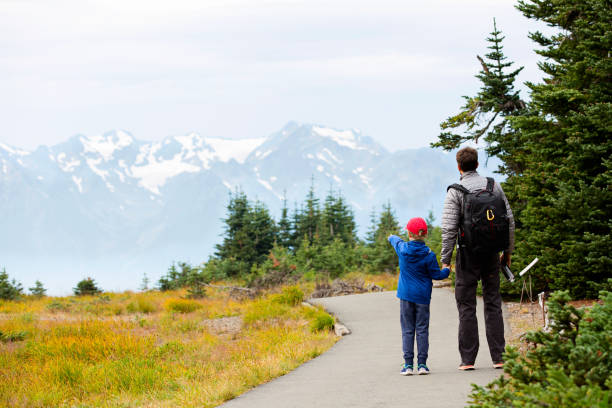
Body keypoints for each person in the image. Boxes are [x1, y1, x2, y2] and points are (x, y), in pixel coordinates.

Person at [441, 147, 515, 371]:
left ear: (459, 166)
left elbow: (448, 229)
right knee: (492, 302)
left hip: (467, 255)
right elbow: (509, 221)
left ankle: (468, 360)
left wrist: (445, 260)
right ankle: (499, 357)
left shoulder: (456, 191)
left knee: (466, 305)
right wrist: (507, 253)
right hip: (492, 254)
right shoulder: (493, 186)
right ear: (477, 164)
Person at [388, 217, 450, 376]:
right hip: (422, 297)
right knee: (422, 329)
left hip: (406, 296)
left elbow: (394, 239)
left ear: (408, 233)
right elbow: (437, 275)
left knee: (407, 329)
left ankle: (408, 365)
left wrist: (391, 236)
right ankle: (422, 364)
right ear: (425, 234)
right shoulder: (429, 255)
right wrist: (447, 269)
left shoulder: (402, 249)